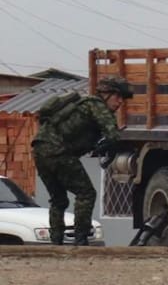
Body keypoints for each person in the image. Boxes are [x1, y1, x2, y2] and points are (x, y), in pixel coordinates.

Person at [31, 75, 132, 245]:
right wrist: (110, 145)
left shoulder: (82, 105)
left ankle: (56, 242)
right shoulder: (97, 105)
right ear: (105, 94)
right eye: (117, 96)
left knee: (58, 199)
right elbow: (113, 135)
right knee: (86, 193)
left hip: (40, 150)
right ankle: (81, 240)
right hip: (59, 153)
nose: (120, 102)